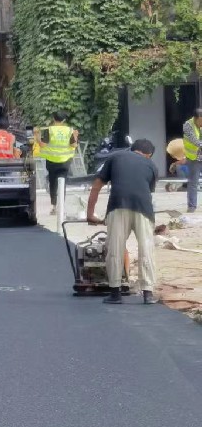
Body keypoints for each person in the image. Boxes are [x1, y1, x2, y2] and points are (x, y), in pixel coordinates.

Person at [86, 139, 160, 305]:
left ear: (132, 149)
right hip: (144, 208)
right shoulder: (152, 166)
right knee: (146, 248)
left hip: (118, 206)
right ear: (149, 155)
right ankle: (148, 294)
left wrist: (90, 214)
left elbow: (96, 185)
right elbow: (146, 191)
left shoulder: (116, 157)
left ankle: (115, 293)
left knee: (115, 247)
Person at [36, 111, 78, 216]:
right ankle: (61, 207)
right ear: (64, 120)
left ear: (53, 119)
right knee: (62, 183)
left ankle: (54, 207)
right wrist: (76, 136)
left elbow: (42, 145)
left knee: (53, 183)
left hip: (52, 161)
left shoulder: (49, 130)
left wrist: (37, 136)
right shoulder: (69, 130)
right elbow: (74, 145)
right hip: (65, 161)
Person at [182, 109, 202, 212]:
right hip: (194, 158)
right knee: (193, 183)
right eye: (201, 121)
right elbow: (195, 141)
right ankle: (191, 206)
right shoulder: (188, 125)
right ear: (196, 118)